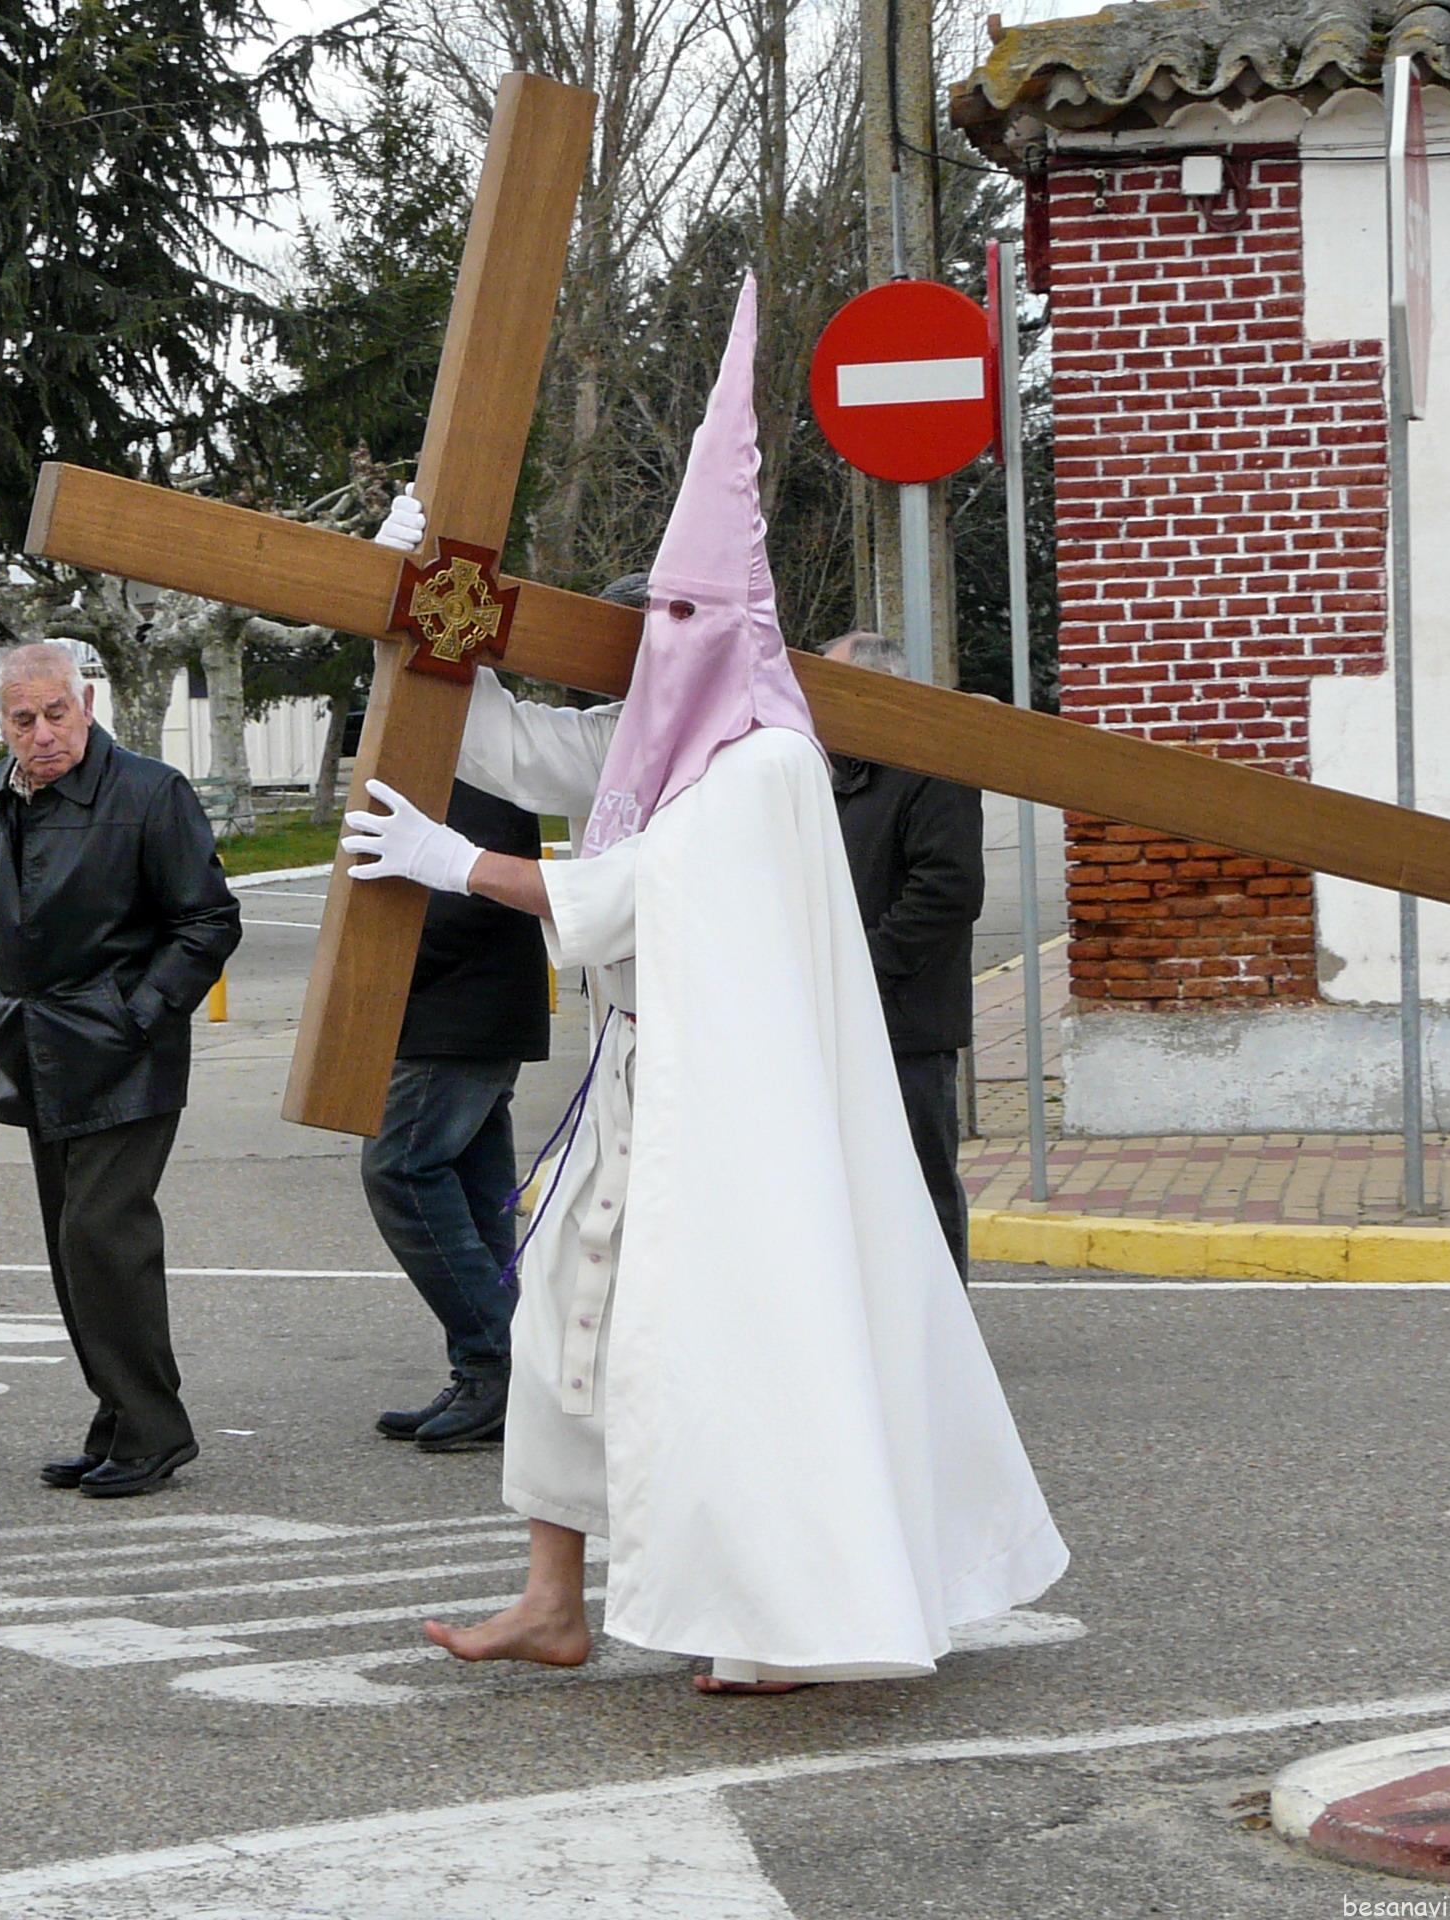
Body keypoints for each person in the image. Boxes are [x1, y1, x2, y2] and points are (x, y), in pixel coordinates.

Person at [349, 281, 1065, 1692]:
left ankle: (776, 1620)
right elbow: (503, 742)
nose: (661, 642)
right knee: (562, 1322)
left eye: (685, 616)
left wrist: (455, 864)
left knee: (738, 1355)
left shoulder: (767, 758)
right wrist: (403, 588)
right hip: (640, 1080)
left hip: (744, 1114)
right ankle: (554, 1598)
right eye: (653, 617)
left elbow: (635, 888)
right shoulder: (654, 740)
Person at [0, 641, 242, 1498]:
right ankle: (119, 1417)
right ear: (0, 722)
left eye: (56, 713)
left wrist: (135, 1016)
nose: (43, 734)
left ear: (85, 705)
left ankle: (153, 1430)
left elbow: (207, 921)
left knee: (102, 1238)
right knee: (71, 1247)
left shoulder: (150, 793)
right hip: (34, 1051)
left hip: (125, 1059)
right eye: (22, 719)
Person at [365, 782, 550, 1452]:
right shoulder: (448, 763)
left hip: (461, 1009)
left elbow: (476, 896)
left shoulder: (475, 763)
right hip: (464, 1012)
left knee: (401, 1170)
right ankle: (487, 1374)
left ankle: (504, 1360)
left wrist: (375, 962)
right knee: (475, 1195)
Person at [822, 630, 985, 1278]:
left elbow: (947, 891)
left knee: (919, 1188)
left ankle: (942, 1325)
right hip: (840, 1019)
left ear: (871, 689)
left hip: (905, 1027)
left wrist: (859, 965)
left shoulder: (931, 766)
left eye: (831, 687)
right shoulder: (836, 773)